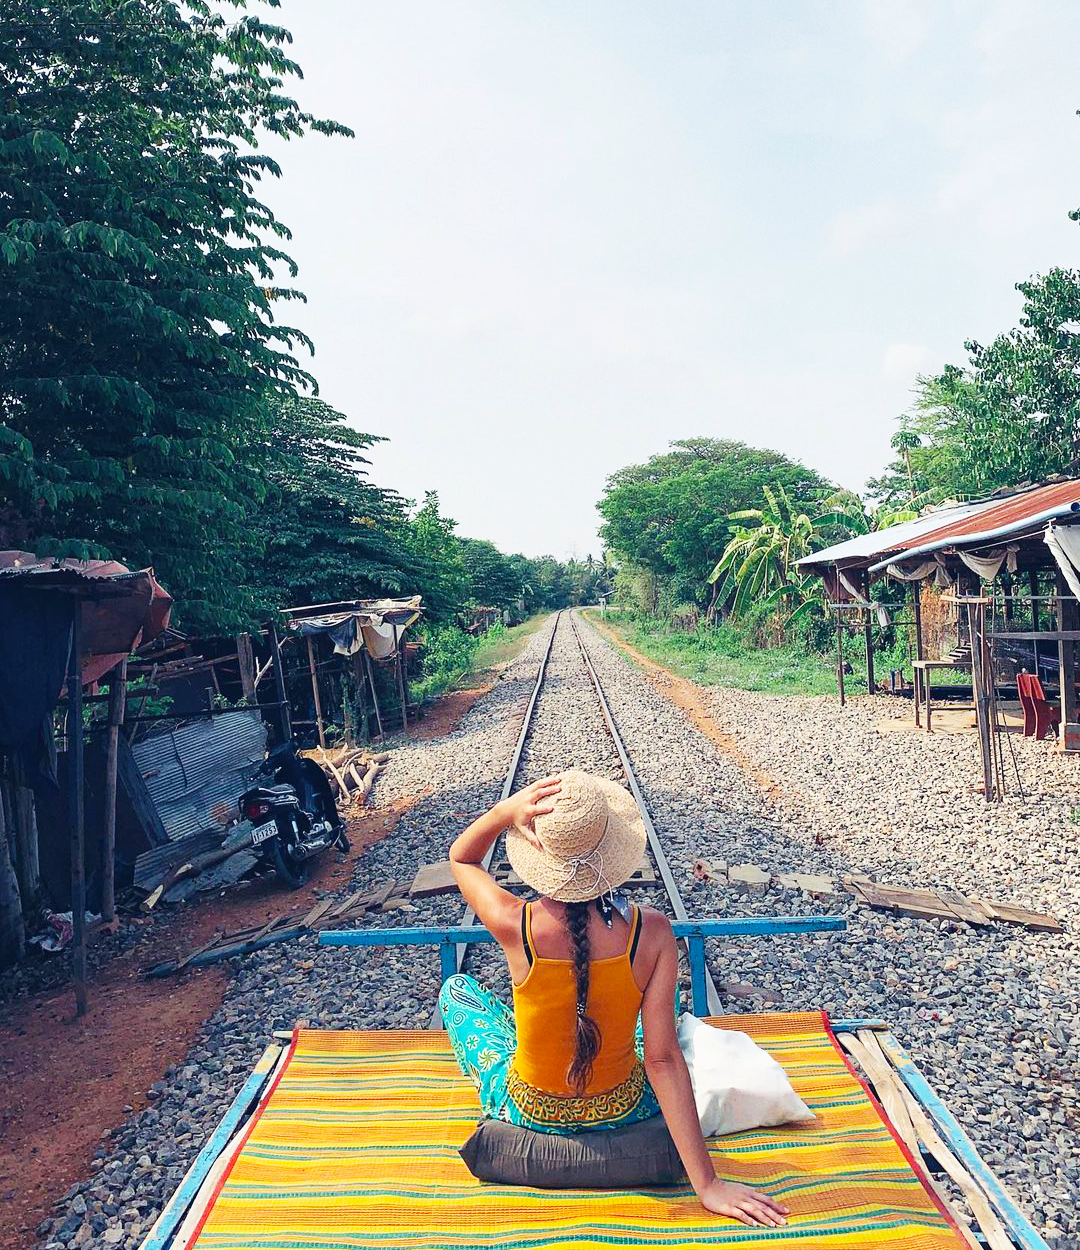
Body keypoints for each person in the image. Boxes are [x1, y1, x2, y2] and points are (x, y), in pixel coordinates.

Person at [440, 768, 789, 1229]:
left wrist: (507, 811)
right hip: (623, 1109)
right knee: (652, 1031)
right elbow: (662, 1061)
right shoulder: (653, 932)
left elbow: (462, 859)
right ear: (612, 855)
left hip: (527, 1110)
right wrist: (708, 1185)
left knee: (458, 992)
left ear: (539, 857)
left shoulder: (513, 922)